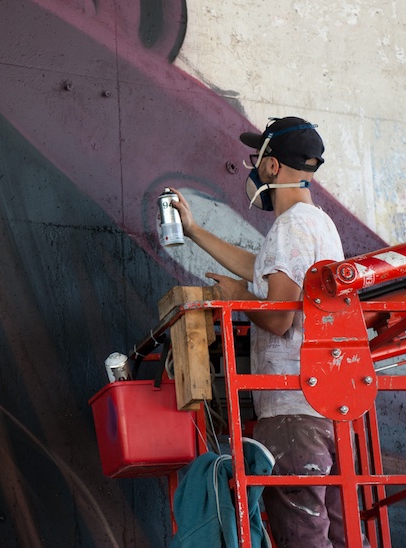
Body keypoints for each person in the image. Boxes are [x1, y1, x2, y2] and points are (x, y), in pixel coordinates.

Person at [171, 116, 368, 548]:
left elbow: (278, 317)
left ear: (273, 167)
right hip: (323, 410)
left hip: (291, 414)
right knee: (341, 536)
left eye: (257, 158)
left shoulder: (290, 226)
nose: (253, 167)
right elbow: (261, 266)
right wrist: (195, 231)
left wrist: (238, 296)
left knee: (302, 540)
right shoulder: (317, 223)